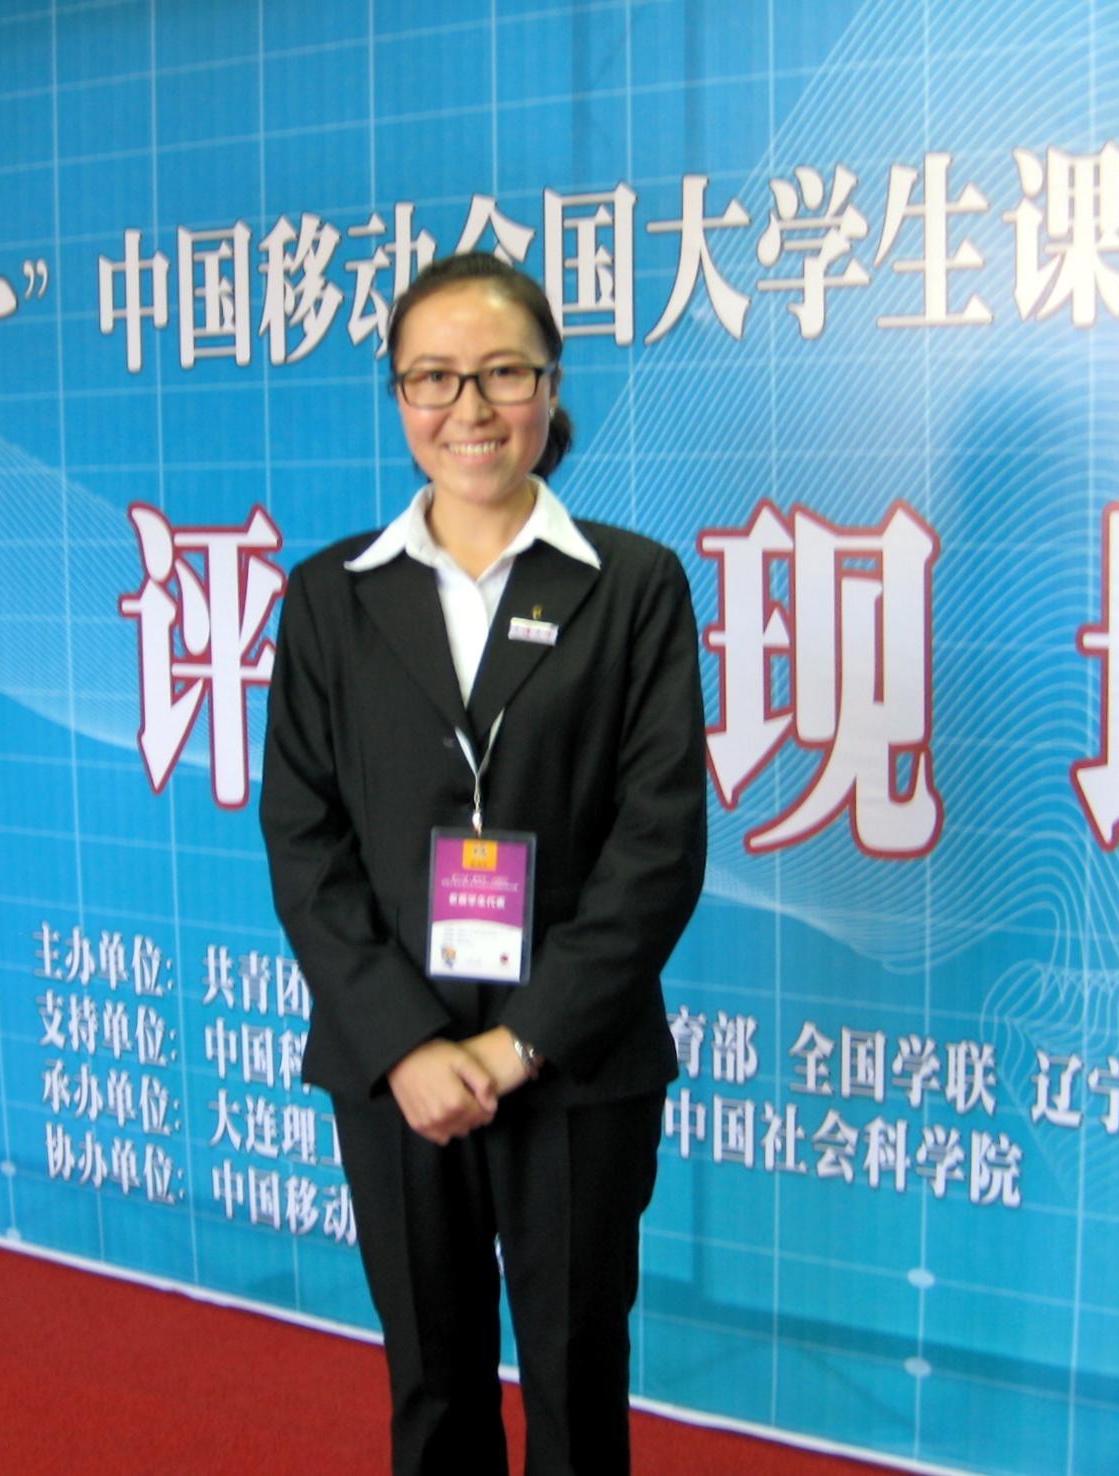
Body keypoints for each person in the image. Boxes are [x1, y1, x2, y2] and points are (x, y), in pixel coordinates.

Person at [258, 251, 707, 1475]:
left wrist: (520, 1044)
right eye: (433, 377)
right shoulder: (331, 598)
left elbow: (658, 846)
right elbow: (304, 841)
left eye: (503, 373)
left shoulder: (632, 586)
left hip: (574, 1061)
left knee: (574, 1384)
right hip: (393, 1071)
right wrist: (405, 1046)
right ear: (398, 396)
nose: (469, 408)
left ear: (549, 388)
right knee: (433, 1387)